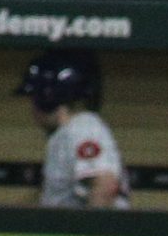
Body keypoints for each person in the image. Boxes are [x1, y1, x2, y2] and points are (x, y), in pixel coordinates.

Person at [20, 48, 128, 210]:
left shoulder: (83, 128)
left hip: (87, 234)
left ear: (46, 98)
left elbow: (105, 187)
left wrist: (90, 234)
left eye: (34, 98)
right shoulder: (66, 134)